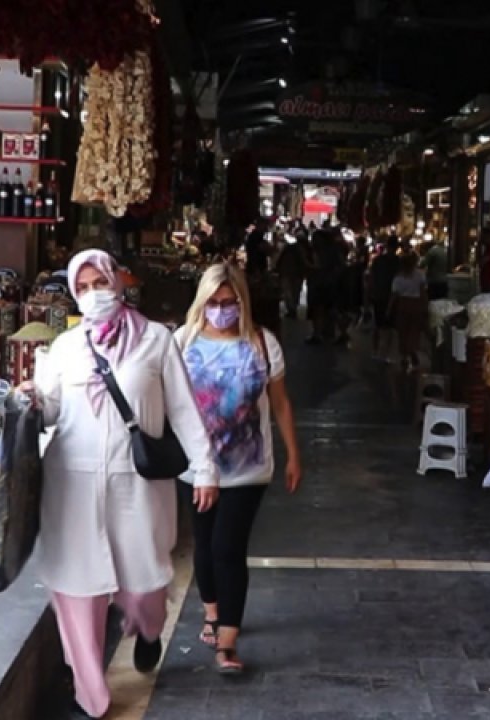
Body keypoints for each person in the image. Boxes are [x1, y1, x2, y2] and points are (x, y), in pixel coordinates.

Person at [18, 249, 219, 720]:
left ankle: (149, 629)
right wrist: (31, 399)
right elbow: (50, 411)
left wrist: (205, 469)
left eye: (99, 283)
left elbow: (185, 410)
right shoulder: (65, 347)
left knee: (146, 581)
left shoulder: (155, 341)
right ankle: (91, 695)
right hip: (72, 486)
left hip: (137, 485)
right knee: (75, 590)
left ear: (117, 282)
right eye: (83, 288)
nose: (93, 295)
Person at [175, 263, 301, 675]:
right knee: (206, 546)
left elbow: (280, 403)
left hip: (249, 467)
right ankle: (213, 611)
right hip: (197, 467)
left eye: (230, 303)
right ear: (202, 302)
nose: (222, 310)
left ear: (242, 302)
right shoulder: (183, 341)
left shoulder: (263, 343)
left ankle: (227, 639)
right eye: (214, 303)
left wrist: (293, 454)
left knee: (229, 548)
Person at [390, 251, 428, 371]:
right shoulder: (420, 275)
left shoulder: (398, 277)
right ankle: (412, 351)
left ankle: (405, 356)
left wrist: (389, 308)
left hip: (403, 305)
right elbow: (423, 292)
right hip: (416, 304)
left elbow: (394, 295)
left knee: (402, 331)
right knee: (414, 331)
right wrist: (425, 306)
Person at [367, 236, 401, 360]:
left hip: (382, 294)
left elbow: (371, 277)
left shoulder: (379, 260)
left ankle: (377, 351)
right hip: (389, 295)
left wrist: (370, 291)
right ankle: (385, 352)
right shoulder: (397, 261)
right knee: (388, 326)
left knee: (379, 324)